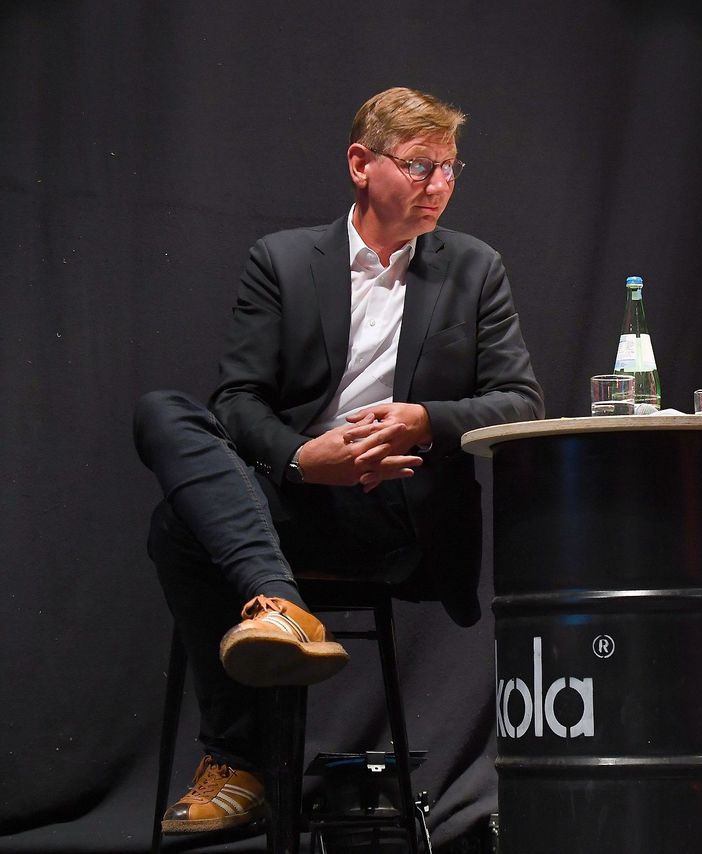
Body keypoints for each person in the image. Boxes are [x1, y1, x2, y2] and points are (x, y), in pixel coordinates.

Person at [134, 86, 544, 835]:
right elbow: (237, 402)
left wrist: (425, 420)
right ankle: (277, 601)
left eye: (452, 169)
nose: (440, 185)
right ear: (362, 163)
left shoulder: (474, 268)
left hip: (395, 512)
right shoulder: (284, 260)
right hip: (291, 500)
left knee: (177, 526)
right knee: (164, 412)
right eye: (421, 166)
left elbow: (520, 402)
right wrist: (300, 458)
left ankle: (234, 760)